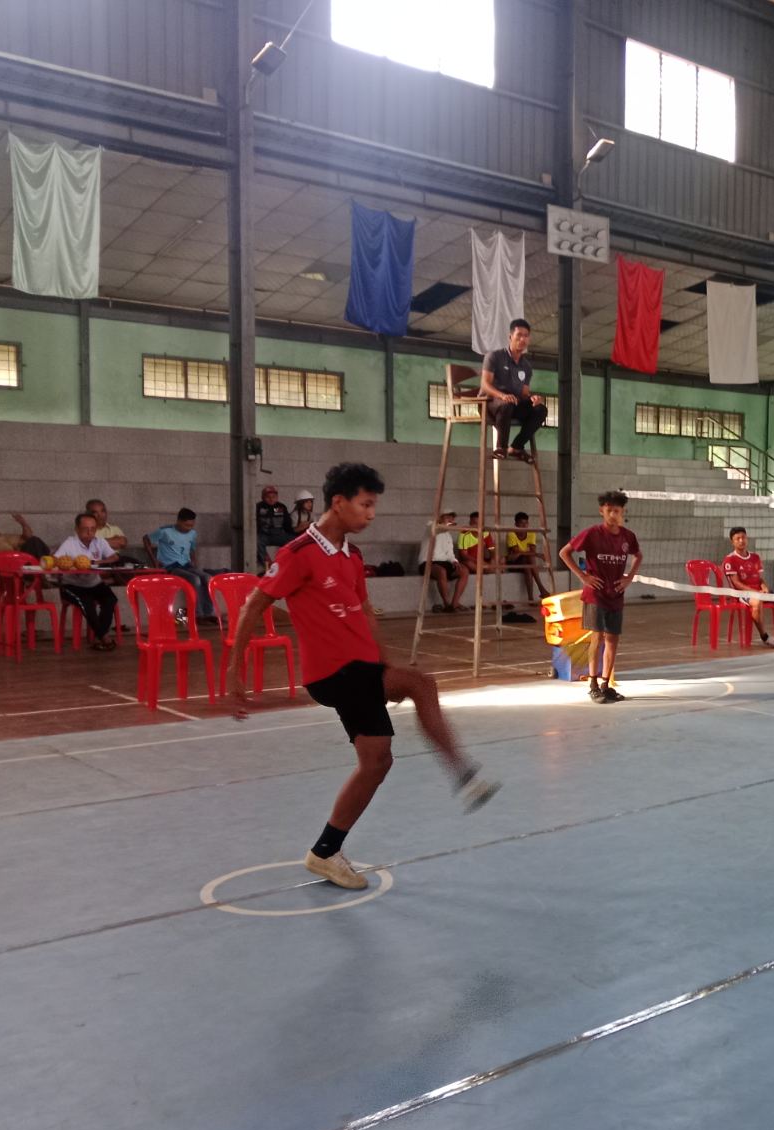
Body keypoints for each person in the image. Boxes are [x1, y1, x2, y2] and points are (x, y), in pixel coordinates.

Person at [230, 462, 499, 889]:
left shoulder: (352, 556)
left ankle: (325, 850)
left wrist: (385, 664)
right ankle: (462, 772)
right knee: (411, 701)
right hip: (333, 672)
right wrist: (235, 670)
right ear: (339, 503)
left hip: (361, 667)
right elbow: (253, 605)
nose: (371, 514)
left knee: (379, 758)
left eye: (374, 505)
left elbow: (365, 612)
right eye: (365, 504)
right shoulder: (299, 553)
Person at [559, 490, 641, 703]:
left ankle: (606, 684)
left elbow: (638, 555)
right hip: (596, 594)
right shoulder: (592, 533)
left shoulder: (628, 536)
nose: (613, 514)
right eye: (609, 510)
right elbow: (564, 552)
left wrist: (629, 578)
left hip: (616, 594)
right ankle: (593, 684)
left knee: (612, 639)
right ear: (601, 511)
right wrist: (583, 576)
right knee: (597, 637)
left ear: (623, 512)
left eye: (617, 511)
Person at [478, 318, 547, 462]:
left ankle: (516, 447)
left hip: (513, 405)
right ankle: (501, 448)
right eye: (519, 335)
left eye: (526, 336)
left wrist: (533, 398)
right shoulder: (494, 356)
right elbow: (485, 385)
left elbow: (524, 394)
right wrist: (502, 396)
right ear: (510, 337)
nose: (522, 339)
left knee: (540, 409)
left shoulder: (526, 366)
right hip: (489, 404)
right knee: (507, 404)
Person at [142, 508, 223, 624]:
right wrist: (154, 561)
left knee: (207, 578)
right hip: (171, 566)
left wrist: (193, 562)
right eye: (186, 525)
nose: (188, 528)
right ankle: (197, 615)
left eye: (191, 525)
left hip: (187, 565)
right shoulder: (165, 531)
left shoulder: (192, 533)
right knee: (195, 579)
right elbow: (146, 539)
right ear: (179, 521)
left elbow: (192, 549)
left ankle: (208, 613)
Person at [721, 526, 774, 648]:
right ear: (732, 542)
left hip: (761, 592)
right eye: (737, 538)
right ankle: (765, 637)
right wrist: (755, 592)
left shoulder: (755, 557)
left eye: (743, 537)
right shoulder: (730, 559)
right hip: (743, 594)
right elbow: (736, 583)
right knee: (757, 602)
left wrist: (765, 587)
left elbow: (759, 578)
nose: (741, 540)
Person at [52, 513, 119, 649]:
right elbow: (55, 560)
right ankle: (104, 638)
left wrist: (96, 562)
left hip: (94, 583)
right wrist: (70, 565)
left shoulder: (100, 542)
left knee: (110, 599)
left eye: (93, 529)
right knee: (87, 602)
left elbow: (114, 557)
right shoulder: (69, 543)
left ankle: (100, 635)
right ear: (77, 529)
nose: (90, 533)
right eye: (85, 529)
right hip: (72, 585)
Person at [420, 510, 469, 612]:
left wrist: (454, 561)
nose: (451, 519)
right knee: (441, 571)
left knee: (464, 570)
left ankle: (455, 603)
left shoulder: (448, 536)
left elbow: (450, 553)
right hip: (428, 562)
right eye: (448, 517)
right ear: (440, 518)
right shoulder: (431, 525)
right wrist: (447, 524)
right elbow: (438, 528)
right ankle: (447, 604)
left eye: (452, 518)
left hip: (444, 563)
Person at [507, 512, 547, 605]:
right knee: (530, 558)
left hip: (526, 563)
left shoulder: (531, 534)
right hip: (514, 562)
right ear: (516, 524)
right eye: (521, 523)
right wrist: (537, 554)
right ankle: (541, 588)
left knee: (528, 567)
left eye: (526, 523)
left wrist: (530, 553)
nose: (524, 526)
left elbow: (531, 551)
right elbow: (516, 552)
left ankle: (531, 599)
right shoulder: (511, 534)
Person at [256, 486, 292, 567]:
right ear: (263, 498)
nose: (271, 499)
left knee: (293, 540)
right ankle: (267, 564)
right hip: (264, 535)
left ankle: (284, 562)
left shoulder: (281, 507)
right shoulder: (259, 507)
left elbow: (287, 523)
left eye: (274, 497)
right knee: (257, 542)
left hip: (279, 534)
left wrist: (291, 533)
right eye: (268, 497)